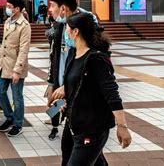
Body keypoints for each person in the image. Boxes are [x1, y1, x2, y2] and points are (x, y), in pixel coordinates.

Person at [55, 12, 132, 165]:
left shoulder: (97, 59)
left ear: (76, 31)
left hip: (92, 127)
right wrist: (68, 103)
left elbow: (112, 94)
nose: (65, 32)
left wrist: (122, 126)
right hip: (73, 123)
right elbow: (77, 85)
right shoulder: (72, 53)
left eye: (67, 29)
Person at [46, 0, 99, 142]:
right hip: (62, 81)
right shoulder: (59, 24)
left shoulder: (87, 21)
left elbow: (93, 60)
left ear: (63, 8)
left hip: (81, 89)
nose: (50, 9)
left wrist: (68, 86)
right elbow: (54, 54)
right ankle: (55, 126)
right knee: (55, 107)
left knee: (78, 139)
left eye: (52, 5)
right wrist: (52, 81)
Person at [0, 0, 31, 137]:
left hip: (16, 67)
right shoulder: (7, 22)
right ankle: (9, 117)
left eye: (9, 7)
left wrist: (17, 71)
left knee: (17, 97)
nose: (7, 9)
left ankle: (18, 123)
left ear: (17, 9)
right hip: (3, 66)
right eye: (7, 6)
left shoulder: (24, 26)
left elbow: (24, 50)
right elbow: (4, 46)